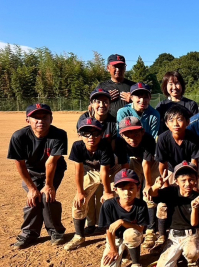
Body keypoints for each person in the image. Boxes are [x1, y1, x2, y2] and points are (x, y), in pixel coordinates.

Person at [8, 104, 67, 249]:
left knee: (47, 197)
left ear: (51, 119)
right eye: (36, 117)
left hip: (54, 170)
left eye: (44, 117)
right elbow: (20, 164)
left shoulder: (59, 134)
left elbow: (51, 162)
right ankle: (29, 233)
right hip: (31, 172)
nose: (40, 121)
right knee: (33, 197)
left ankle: (56, 232)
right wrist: (31, 188)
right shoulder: (19, 136)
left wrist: (49, 185)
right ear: (28, 120)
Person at [64, 118, 117, 251]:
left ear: (101, 134)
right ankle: (79, 235)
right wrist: (80, 192)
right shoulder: (77, 146)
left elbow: (104, 172)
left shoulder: (105, 146)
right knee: (79, 201)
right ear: (79, 134)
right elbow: (78, 170)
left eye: (95, 133)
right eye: (86, 133)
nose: (91, 137)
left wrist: (107, 191)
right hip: (92, 172)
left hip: (110, 170)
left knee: (115, 198)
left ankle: (114, 234)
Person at [147, 162, 199, 267]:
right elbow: (152, 195)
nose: (187, 183)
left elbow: (194, 224)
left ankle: (192, 260)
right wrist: (155, 186)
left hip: (191, 235)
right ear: (176, 181)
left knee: (192, 252)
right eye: (183, 180)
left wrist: (194, 208)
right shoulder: (171, 192)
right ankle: (174, 258)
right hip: (174, 236)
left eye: (191, 180)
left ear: (196, 180)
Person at [76, 88, 117, 235]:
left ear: (110, 104)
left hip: (104, 163)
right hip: (88, 163)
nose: (101, 105)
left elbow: (112, 145)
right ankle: (90, 223)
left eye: (105, 101)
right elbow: (82, 141)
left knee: (101, 193)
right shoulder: (84, 118)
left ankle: (101, 223)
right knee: (89, 194)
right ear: (91, 104)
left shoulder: (112, 122)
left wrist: (107, 162)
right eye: (97, 101)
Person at [116, 116, 161, 248]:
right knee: (133, 193)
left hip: (151, 163)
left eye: (136, 134)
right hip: (134, 161)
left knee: (149, 194)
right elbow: (124, 163)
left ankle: (151, 229)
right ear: (121, 135)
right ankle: (135, 223)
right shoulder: (119, 142)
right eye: (127, 135)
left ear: (142, 131)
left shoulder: (148, 139)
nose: (132, 138)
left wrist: (147, 185)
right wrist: (127, 183)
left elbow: (146, 163)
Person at [99, 169, 148, 267]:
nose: (127, 193)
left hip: (133, 236)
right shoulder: (108, 205)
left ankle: (136, 264)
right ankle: (124, 252)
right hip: (114, 239)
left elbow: (140, 229)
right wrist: (112, 249)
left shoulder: (141, 205)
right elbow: (109, 231)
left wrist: (122, 222)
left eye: (131, 188)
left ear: (138, 188)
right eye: (122, 189)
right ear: (115, 190)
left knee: (130, 234)